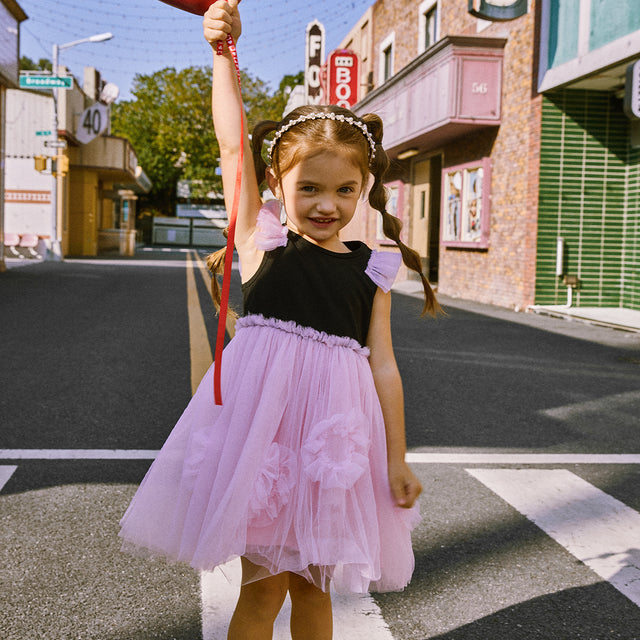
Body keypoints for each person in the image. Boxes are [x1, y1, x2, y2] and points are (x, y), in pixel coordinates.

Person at [119, 1, 441, 638]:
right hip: (263, 444)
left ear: (364, 188)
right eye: (310, 189)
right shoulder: (261, 243)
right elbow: (231, 143)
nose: (328, 204)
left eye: (345, 190)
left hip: (333, 447)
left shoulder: (372, 266)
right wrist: (221, 57)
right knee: (261, 596)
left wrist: (395, 460)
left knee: (317, 596)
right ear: (276, 182)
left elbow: (384, 365)